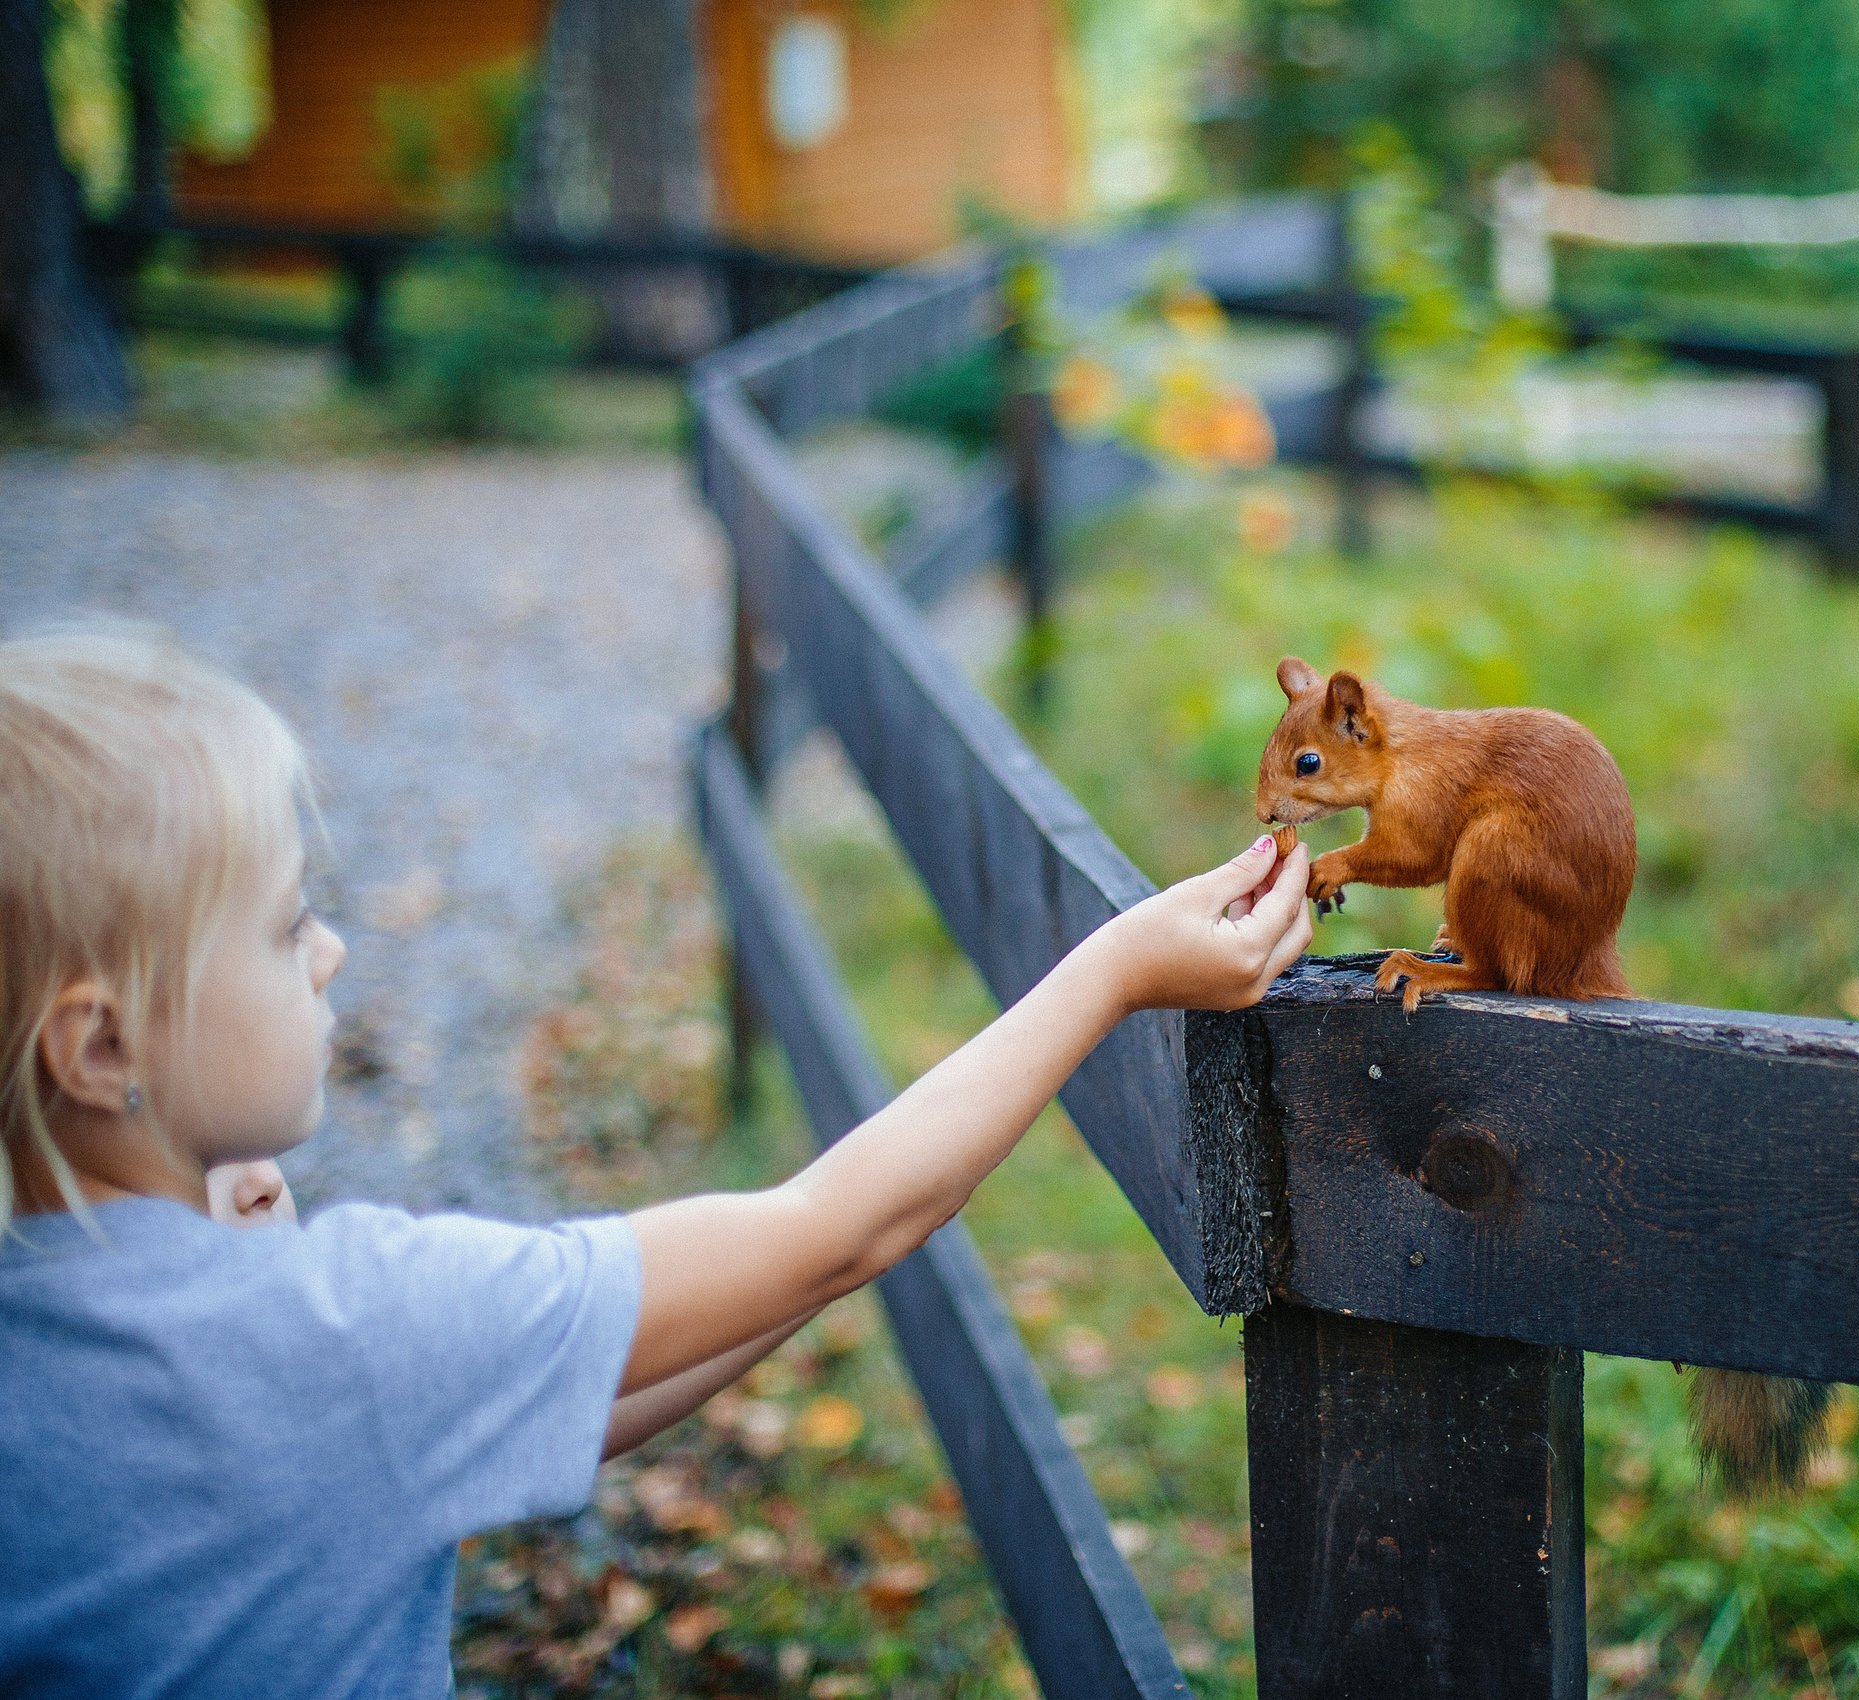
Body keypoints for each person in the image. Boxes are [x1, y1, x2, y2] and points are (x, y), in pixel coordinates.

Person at [0, 625, 1312, 1698]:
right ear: (102, 1043)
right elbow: (834, 1227)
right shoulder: (343, 1333)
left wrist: (802, 1271)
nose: (331, 952)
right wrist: (1118, 967)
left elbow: (581, 1389)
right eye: (287, 928)